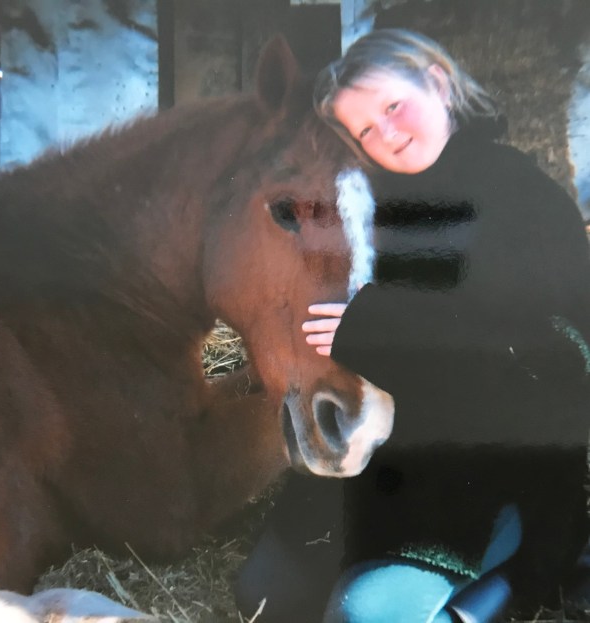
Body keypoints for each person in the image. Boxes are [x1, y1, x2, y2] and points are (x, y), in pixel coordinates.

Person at [236, 29, 590, 623]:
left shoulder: (522, 195)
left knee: (361, 614)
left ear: (439, 82)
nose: (386, 134)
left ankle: (524, 567)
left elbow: (545, 349)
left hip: (493, 461)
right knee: (264, 595)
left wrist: (372, 327)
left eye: (393, 106)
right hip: (392, 457)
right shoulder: (382, 206)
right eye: (364, 131)